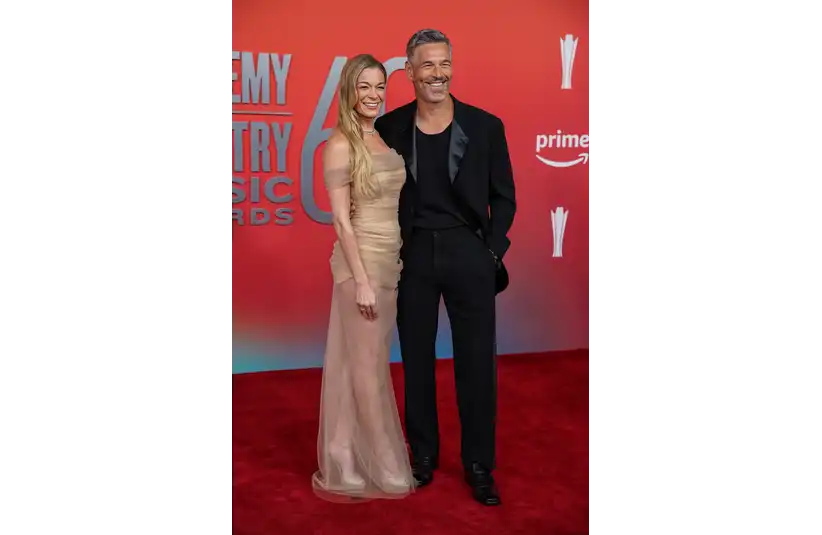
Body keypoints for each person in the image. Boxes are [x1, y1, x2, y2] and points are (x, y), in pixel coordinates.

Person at [374, 29, 516, 506]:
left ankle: (478, 464)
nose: (437, 73)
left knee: (476, 365)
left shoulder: (486, 126)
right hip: (413, 257)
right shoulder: (390, 128)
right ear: (409, 72)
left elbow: (504, 198)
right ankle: (424, 457)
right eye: (427, 65)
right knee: (416, 362)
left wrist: (490, 252)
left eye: (444, 64)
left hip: (468, 255)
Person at [311, 54, 415, 502]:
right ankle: (382, 460)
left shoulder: (380, 139)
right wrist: (363, 280)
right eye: (364, 87)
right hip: (361, 265)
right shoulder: (339, 145)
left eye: (380, 87)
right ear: (348, 91)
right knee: (368, 366)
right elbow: (340, 222)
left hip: (390, 261)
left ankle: (341, 448)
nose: (373, 96)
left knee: (359, 360)